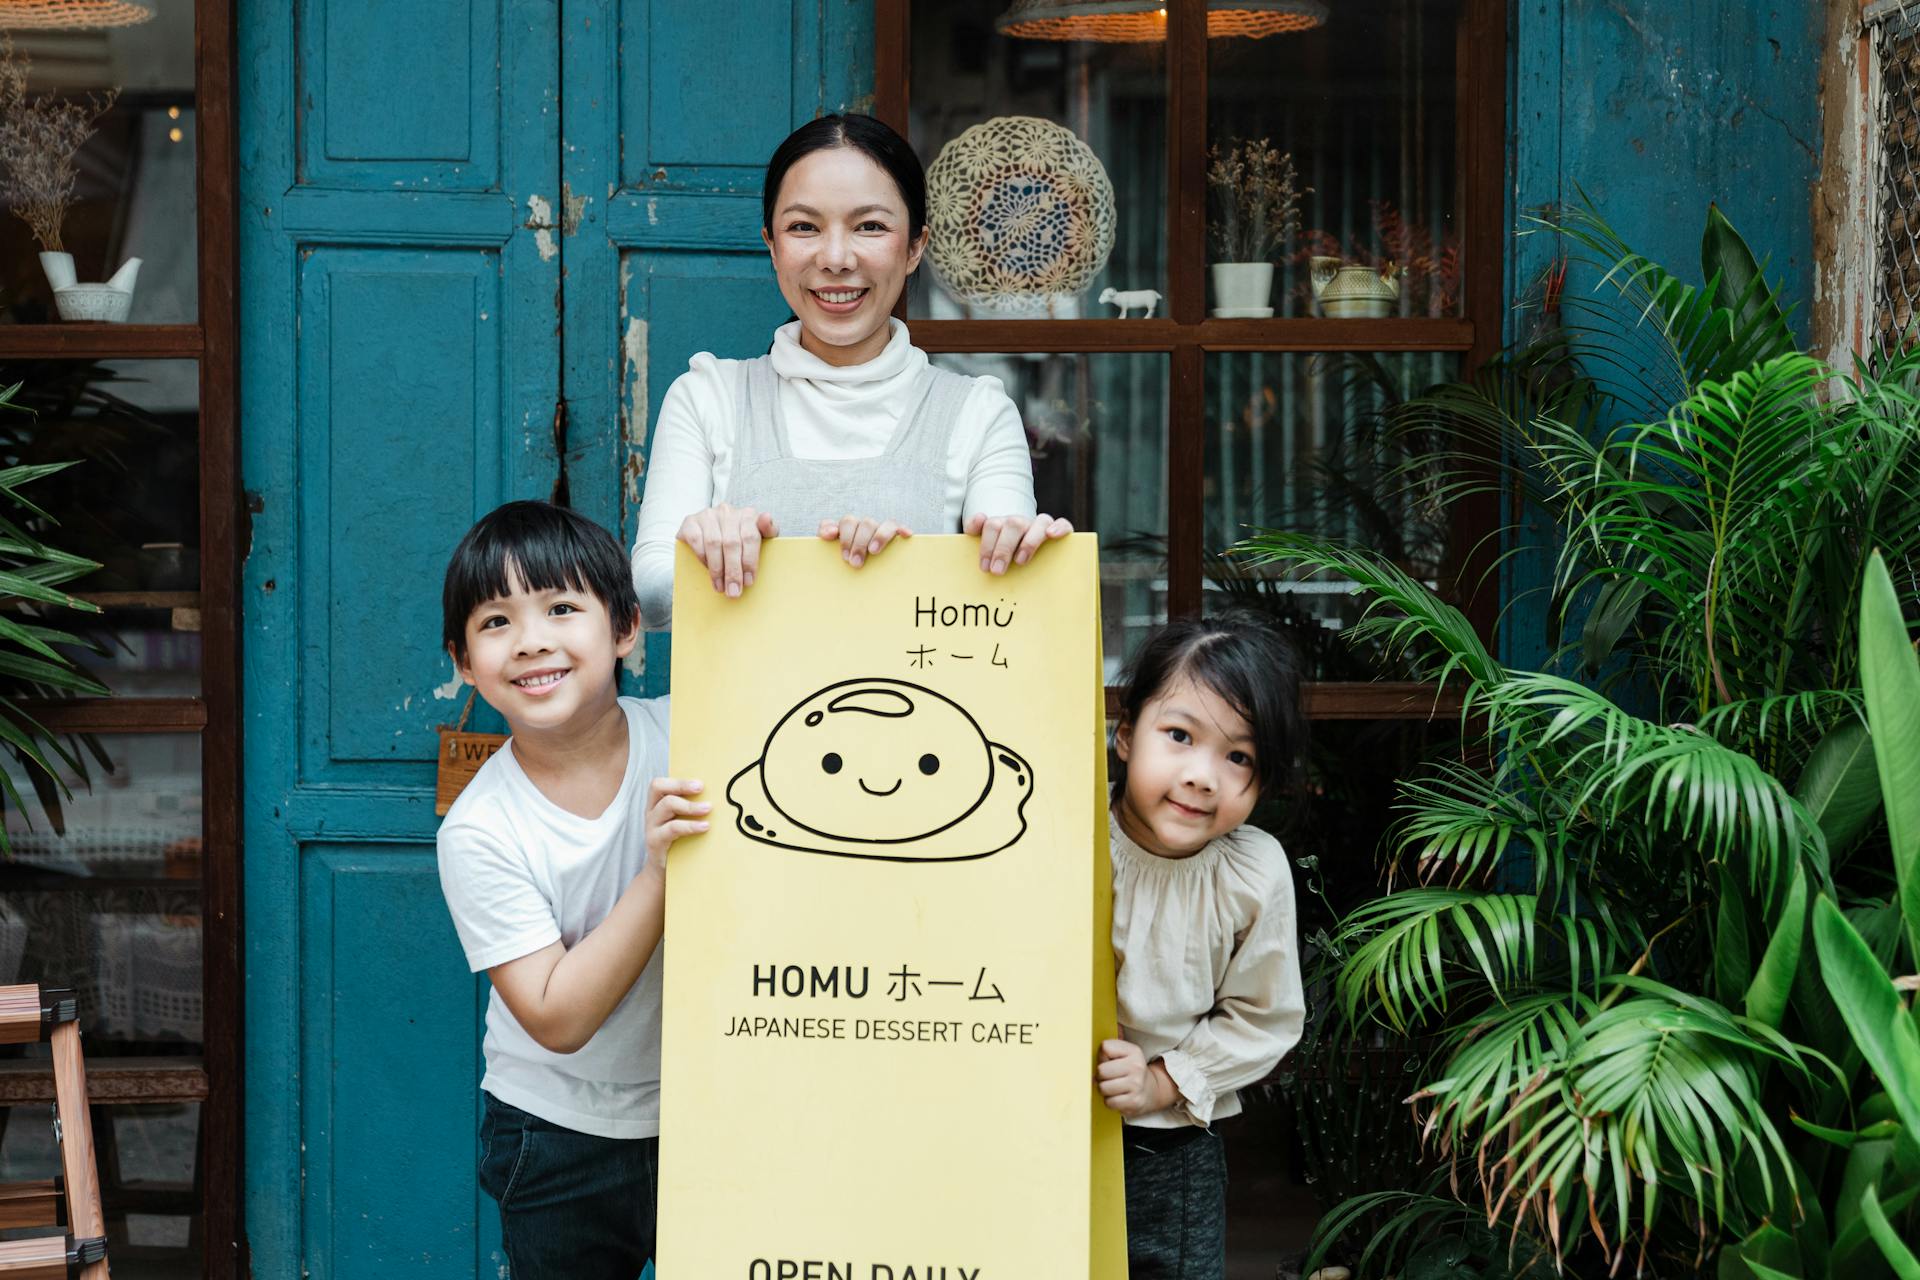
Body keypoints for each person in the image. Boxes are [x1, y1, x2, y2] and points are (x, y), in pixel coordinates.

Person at [630, 112, 1071, 623]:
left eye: (870, 226)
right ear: (772, 246)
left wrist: (1024, 555)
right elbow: (654, 597)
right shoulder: (706, 397)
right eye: (803, 227)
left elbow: (1007, 602)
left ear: (914, 248)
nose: (836, 257)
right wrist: (702, 547)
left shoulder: (979, 414)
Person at [435, 500, 709, 1280]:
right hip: (557, 1138)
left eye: (562, 607)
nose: (532, 641)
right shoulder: (481, 829)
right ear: (462, 660)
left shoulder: (693, 734)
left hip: (717, 1108)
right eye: (496, 623)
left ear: (626, 628)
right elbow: (557, 1016)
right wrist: (658, 873)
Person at [1094, 612, 1309, 1280]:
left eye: (1237, 756)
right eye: (1179, 736)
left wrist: (1162, 1082)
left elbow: (1265, 1017)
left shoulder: (1251, 872)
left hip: (1173, 1143)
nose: (1201, 775)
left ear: (1263, 782)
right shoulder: (1067, 829)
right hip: (1043, 1123)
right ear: (1127, 735)